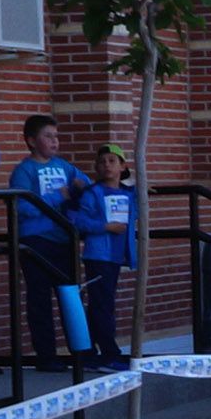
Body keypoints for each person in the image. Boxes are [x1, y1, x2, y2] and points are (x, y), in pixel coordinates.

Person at [9, 114, 90, 370]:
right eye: (48, 136)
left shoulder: (64, 167)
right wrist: (58, 196)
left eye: (56, 136)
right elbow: (21, 206)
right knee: (39, 299)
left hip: (63, 240)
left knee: (70, 296)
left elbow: (84, 184)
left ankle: (80, 352)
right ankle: (46, 355)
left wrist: (79, 187)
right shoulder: (25, 171)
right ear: (31, 141)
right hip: (35, 242)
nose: (54, 141)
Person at [69, 144, 136, 369]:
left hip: (116, 256)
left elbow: (137, 202)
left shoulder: (127, 193)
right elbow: (78, 220)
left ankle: (93, 352)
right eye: (102, 162)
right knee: (102, 304)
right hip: (98, 255)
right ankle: (108, 353)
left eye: (112, 161)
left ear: (123, 166)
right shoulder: (93, 193)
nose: (106, 165)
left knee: (104, 303)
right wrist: (105, 226)